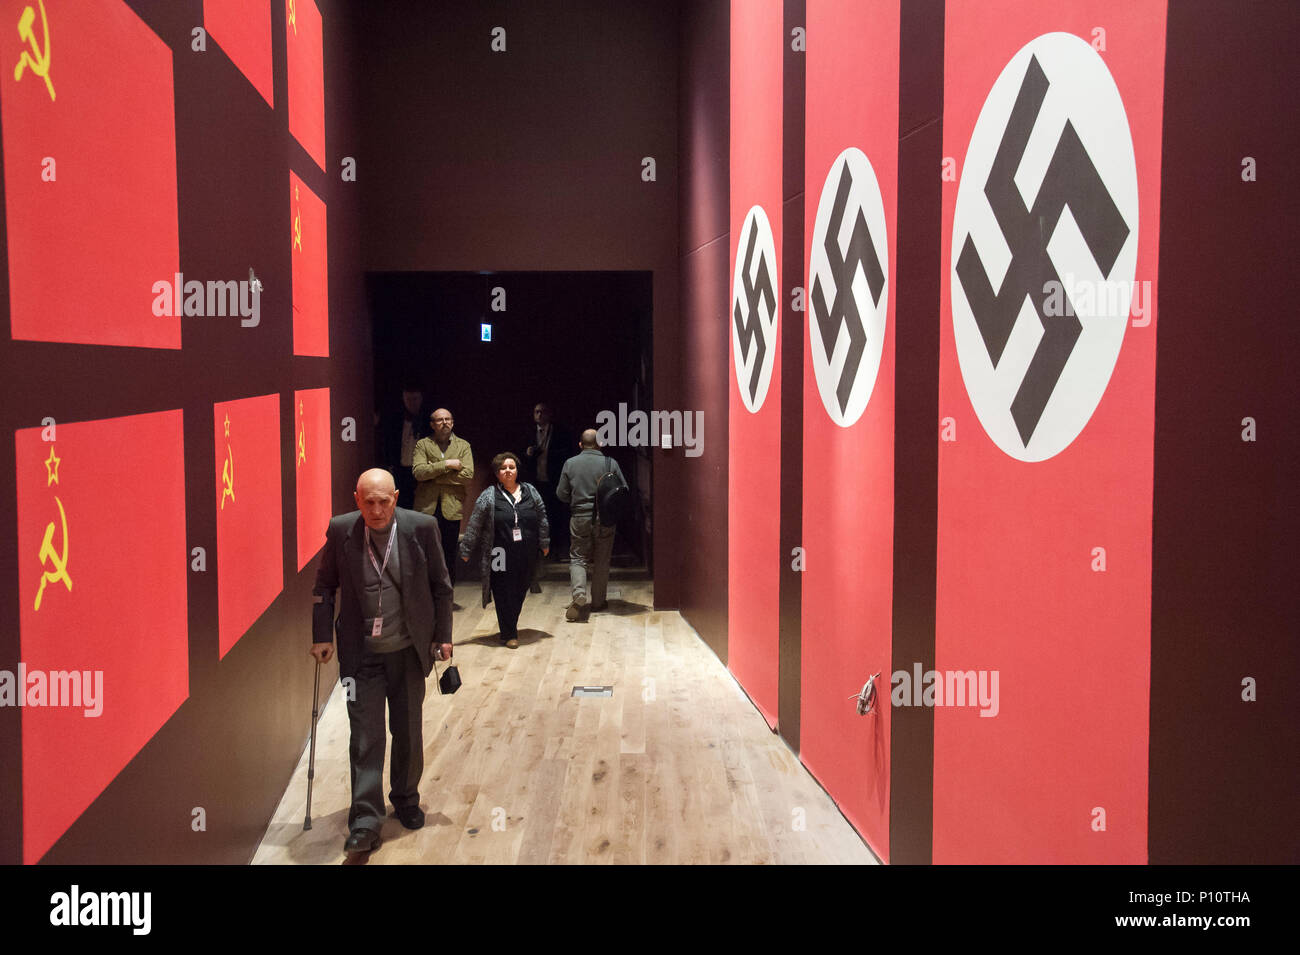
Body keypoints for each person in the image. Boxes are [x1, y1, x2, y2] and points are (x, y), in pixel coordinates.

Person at [310, 468, 453, 856]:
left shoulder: (421, 527)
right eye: (368, 502)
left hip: (408, 652)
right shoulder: (341, 530)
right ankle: (366, 820)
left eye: (384, 501)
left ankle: (406, 799)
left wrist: (443, 637)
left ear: (396, 497)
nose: (376, 510)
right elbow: (324, 586)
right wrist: (322, 635)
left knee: (408, 731)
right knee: (366, 738)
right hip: (363, 657)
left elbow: (442, 585)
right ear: (356, 500)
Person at [459, 452, 549, 649]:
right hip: (498, 553)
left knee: (520, 588)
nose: (508, 471)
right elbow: (475, 523)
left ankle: (510, 625)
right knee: (502, 590)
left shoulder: (530, 491)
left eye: (511, 467)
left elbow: (542, 517)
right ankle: (509, 633)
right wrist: (466, 548)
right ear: (497, 473)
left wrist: (545, 542)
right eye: (503, 468)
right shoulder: (489, 496)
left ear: (517, 471)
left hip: (526, 551)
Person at [557, 429, 626, 621]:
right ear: (600, 444)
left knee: (578, 558)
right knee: (602, 560)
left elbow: (561, 494)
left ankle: (579, 594)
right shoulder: (610, 463)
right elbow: (624, 490)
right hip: (604, 519)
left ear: (580, 445)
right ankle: (598, 602)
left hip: (579, 517)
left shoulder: (570, 464)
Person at [412, 408, 474, 585]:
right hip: (426, 508)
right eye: (440, 420)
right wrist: (448, 464)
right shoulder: (422, 445)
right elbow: (418, 472)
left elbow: (468, 476)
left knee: (448, 554)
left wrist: (434, 473)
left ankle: (447, 594)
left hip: (452, 508)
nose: (445, 422)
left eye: (448, 419)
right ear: (432, 424)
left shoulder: (463, 446)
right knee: (425, 554)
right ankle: (426, 596)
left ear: (453, 422)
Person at [523, 402, 572, 561]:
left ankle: (557, 549)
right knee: (538, 516)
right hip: (536, 481)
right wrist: (528, 453)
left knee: (557, 515)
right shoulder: (528, 432)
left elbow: (568, 452)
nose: (539, 415)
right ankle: (542, 550)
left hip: (554, 480)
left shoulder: (560, 431)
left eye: (542, 412)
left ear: (549, 414)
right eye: (536, 412)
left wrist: (550, 453)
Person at [377, 387, 429, 506]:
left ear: (421, 398)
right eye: (408, 399)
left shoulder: (428, 422)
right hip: (401, 471)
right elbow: (388, 445)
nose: (411, 402)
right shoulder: (396, 421)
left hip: (422, 471)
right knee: (402, 504)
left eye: (415, 399)